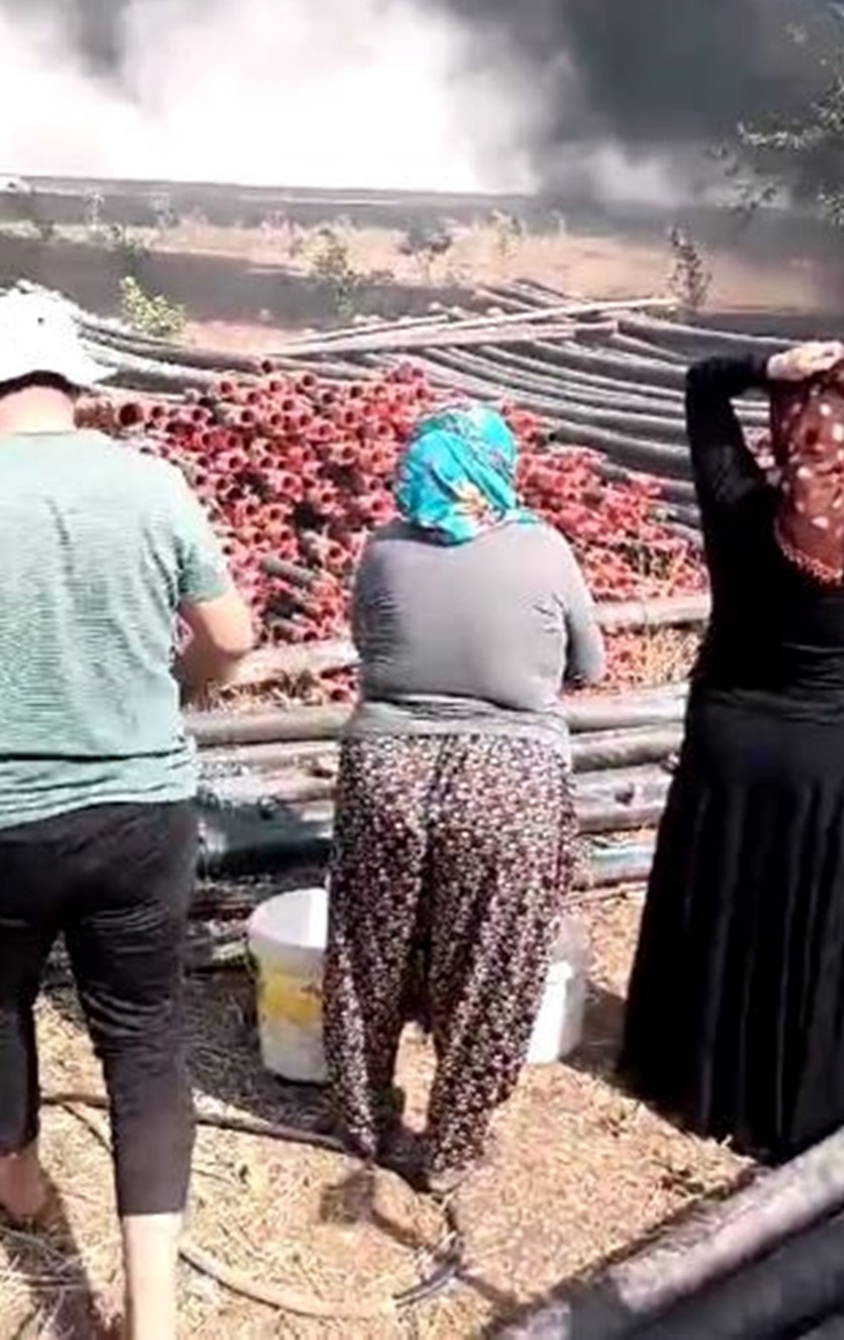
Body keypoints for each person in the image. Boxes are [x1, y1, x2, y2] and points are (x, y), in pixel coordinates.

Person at [0, 290, 254, 1340]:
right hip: (140, 811)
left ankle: (13, 1179)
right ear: (75, 382)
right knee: (144, 1038)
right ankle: (151, 1316)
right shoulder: (149, 481)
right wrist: (184, 685)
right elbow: (230, 635)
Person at [619, 329, 844, 1165]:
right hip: (835, 742)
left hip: (732, 731)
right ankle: (801, 1095)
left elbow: (701, 388)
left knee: (726, 899)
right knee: (816, 918)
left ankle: (698, 1080)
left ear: (776, 425)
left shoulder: (733, 494)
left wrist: (763, 369)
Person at [323, 403, 605, 1196]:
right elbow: (590, 664)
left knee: (371, 950)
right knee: (489, 963)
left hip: (386, 769)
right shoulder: (544, 548)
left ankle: (362, 1118)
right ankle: (451, 1148)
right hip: (509, 778)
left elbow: (369, 646)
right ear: (498, 466)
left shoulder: (381, 551)